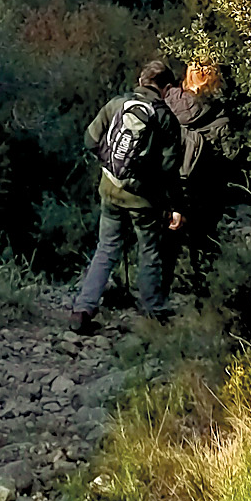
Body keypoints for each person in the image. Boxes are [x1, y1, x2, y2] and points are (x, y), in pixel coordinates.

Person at [68, 59, 184, 334]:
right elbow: (170, 170)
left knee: (106, 249)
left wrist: (112, 167)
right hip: (144, 200)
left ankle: (83, 309)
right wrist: (173, 206)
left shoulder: (116, 104)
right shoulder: (165, 119)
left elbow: (90, 140)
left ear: (141, 80)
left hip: (109, 189)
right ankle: (153, 313)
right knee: (150, 252)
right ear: (166, 87)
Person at [163, 62, 239, 302]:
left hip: (168, 183)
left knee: (166, 241)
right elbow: (231, 156)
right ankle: (204, 292)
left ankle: (159, 291)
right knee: (204, 239)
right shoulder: (217, 111)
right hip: (205, 187)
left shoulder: (167, 101)